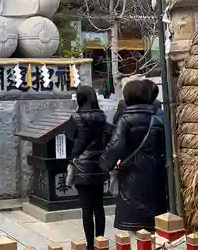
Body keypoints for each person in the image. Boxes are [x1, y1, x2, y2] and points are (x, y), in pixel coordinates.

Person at [100, 79, 167, 232]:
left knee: (135, 229)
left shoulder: (126, 119)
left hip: (132, 178)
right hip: (157, 176)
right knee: (156, 227)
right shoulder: (159, 117)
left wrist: (105, 164)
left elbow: (115, 147)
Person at [69, 85, 110, 250]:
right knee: (99, 206)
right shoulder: (101, 116)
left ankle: (90, 246)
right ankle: (101, 242)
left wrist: (72, 157)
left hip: (82, 166)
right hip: (99, 164)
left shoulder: (76, 117)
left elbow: (76, 142)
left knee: (86, 208)